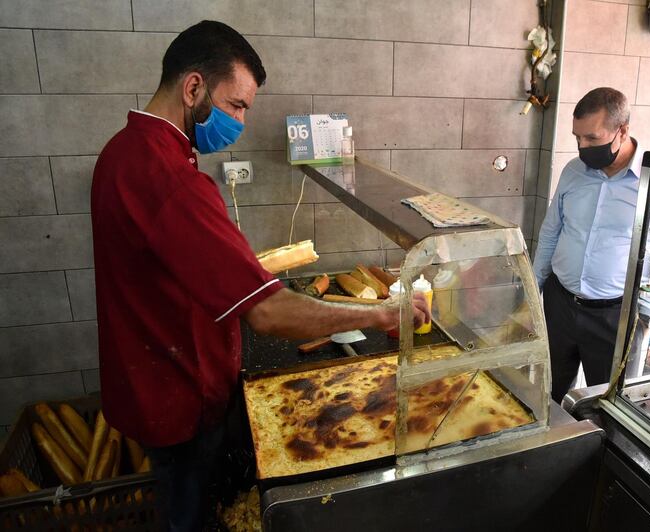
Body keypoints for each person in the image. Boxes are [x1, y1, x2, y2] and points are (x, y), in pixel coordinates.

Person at [91, 21, 429, 531]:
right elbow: (268, 313)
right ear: (193, 87)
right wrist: (383, 310)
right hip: (179, 396)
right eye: (237, 105)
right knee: (194, 518)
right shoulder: (170, 179)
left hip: (149, 383)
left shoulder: (122, 152)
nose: (240, 122)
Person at [533, 87, 644, 403]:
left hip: (612, 315)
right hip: (560, 303)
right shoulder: (573, 171)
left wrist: (645, 315)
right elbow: (551, 231)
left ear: (622, 131)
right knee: (549, 392)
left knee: (605, 401)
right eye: (577, 137)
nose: (582, 147)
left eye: (592, 138)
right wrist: (533, 289)